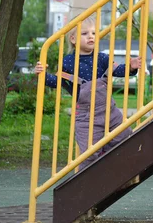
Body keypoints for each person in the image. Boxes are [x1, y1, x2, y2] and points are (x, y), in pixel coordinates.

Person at [34, 16, 141, 169]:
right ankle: (87, 180)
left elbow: (118, 70)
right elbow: (58, 82)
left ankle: (108, 156)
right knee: (89, 153)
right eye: (84, 34)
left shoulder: (102, 58)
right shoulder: (68, 62)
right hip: (86, 116)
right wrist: (43, 74)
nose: (90, 36)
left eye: (93, 33)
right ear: (73, 39)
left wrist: (131, 67)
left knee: (126, 137)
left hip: (109, 111)